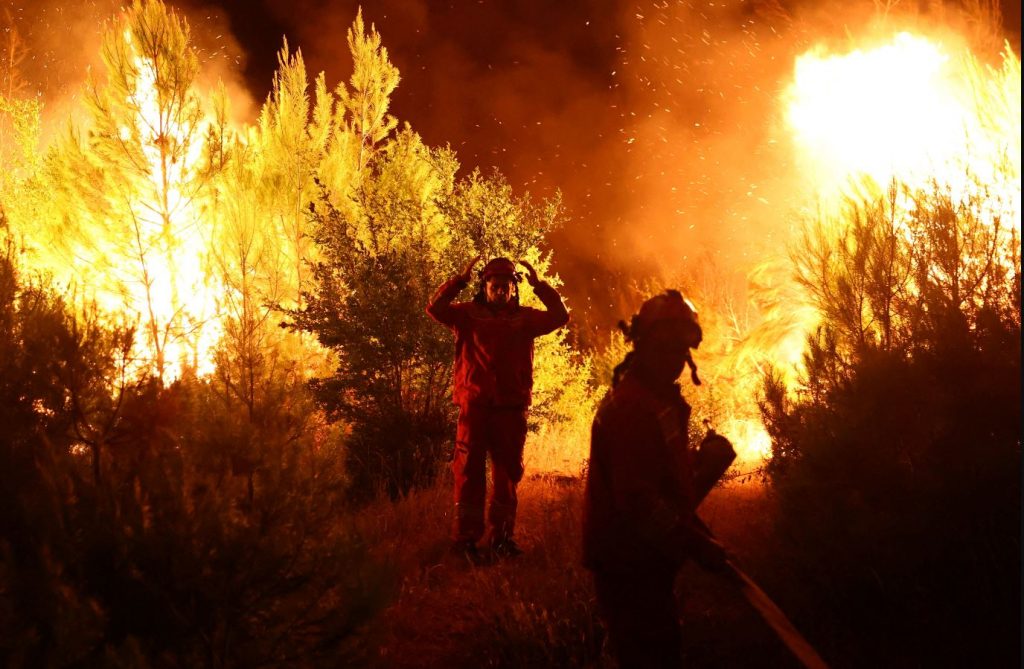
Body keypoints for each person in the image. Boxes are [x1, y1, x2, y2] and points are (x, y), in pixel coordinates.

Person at [582, 289, 728, 669]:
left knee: (660, 650)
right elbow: (637, 500)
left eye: (680, 351)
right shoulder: (633, 407)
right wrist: (696, 544)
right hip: (627, 561)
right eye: (663, 348)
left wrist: (698, 522)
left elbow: (664, 483)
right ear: (642, 345)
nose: (672, 360)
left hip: (646, 557)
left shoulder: (659, 400)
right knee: (650, 656)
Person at [427, 255, 569, 560]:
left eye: (506, 286)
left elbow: (560, 316)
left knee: (507, 475)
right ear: (484, 286)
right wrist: (459, 281)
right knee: (469, 474)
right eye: (495, 285)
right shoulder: (466, 315)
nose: (501, 290)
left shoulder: (525, 319)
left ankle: (502, 539)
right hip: (475, 408)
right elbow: (435, 308)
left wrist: (540, 286)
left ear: (514, 289)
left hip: (510, 409)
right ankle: (465, 541)